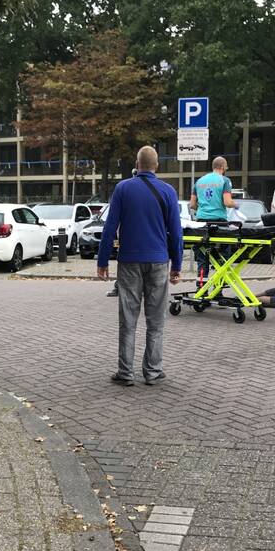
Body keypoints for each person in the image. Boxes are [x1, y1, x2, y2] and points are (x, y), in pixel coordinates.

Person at [97, 146, 183, 387]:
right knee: (156, 321)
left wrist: (102, 260)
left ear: (137, 164)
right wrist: (177, 264)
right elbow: (176, 232)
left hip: (129, 261)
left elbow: (110, 227)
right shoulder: (168, 191)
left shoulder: (123, 189)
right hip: (158, 261)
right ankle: (153, 371)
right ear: (157, 166)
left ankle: (125, 372)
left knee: (128, 319)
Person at [188, 157, 236, 285]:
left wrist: (203, 208)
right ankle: (217, 289)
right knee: (222, 257)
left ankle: (201, 289)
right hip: (219, 222)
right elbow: (227, 202)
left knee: (202, 257)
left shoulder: (199, 181)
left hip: (201, 223)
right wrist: (236, 205)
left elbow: (192, 204)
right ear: (223, 167)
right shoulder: (225, 180)